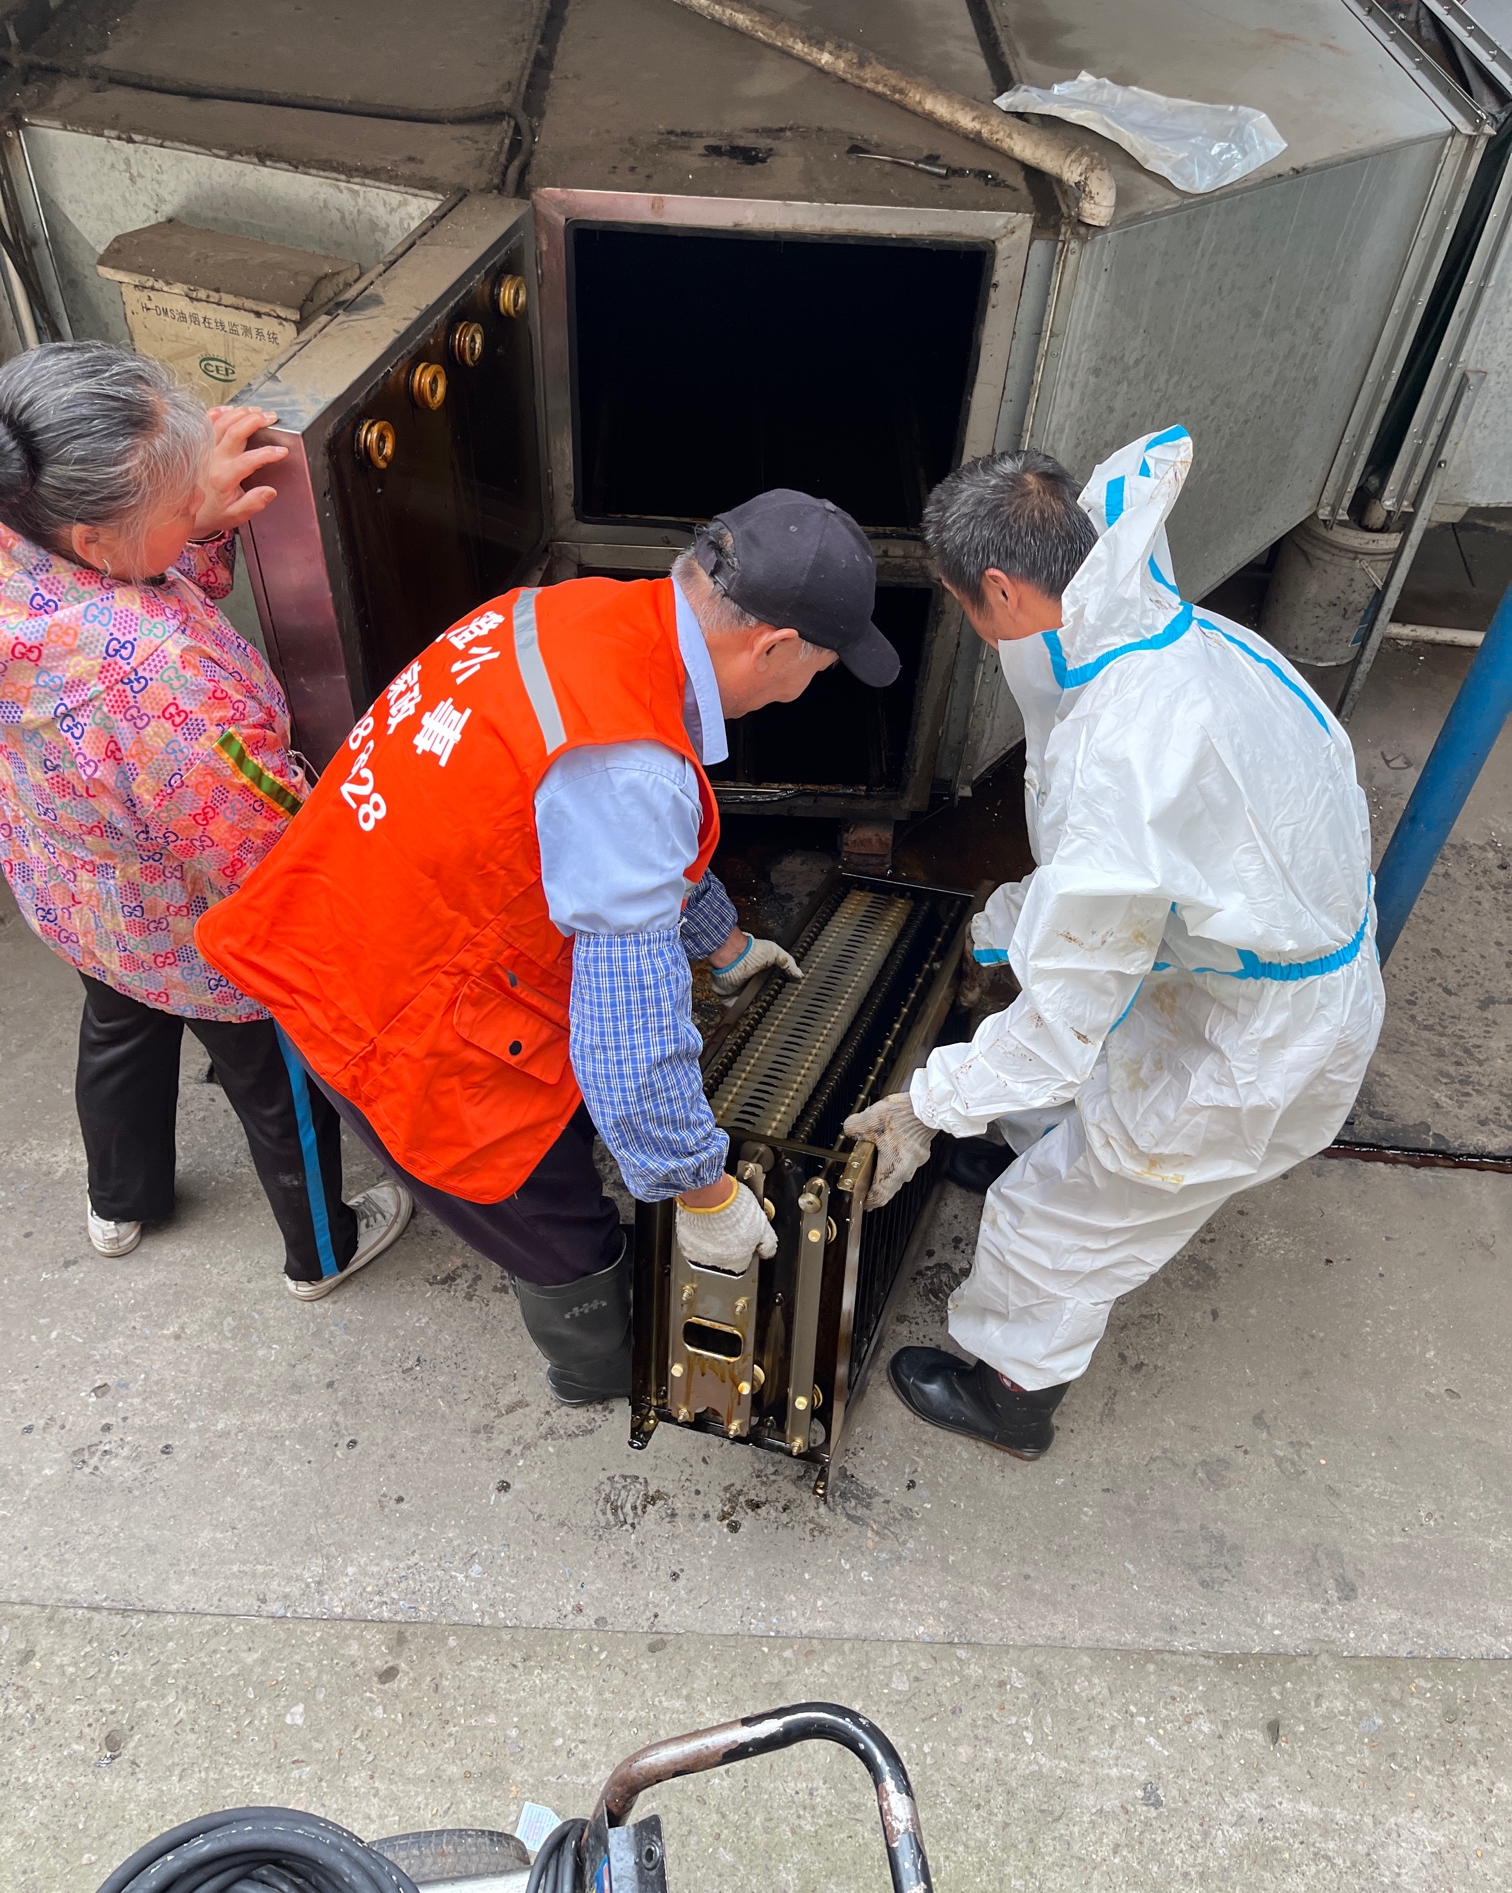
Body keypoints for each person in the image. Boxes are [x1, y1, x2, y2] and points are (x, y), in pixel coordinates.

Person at [196, 489, 900, 1403]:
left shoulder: (575, 612)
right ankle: (596, 1366)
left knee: (570, 1121)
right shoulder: (630, 764)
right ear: (772, 647)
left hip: (333, 919)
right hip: (391, 1014)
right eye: (817, 669)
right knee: (556, 1221)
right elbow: (628, 1043)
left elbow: (601, 835)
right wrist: (703, 1194)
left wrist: (723, 942)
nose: (804, 690)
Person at [845, 427, 1386, 1460]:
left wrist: (928, 1105)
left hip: (1252, 1044)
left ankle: (1011, 1395)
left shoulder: (1124, 752)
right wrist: (1006, 926)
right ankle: (1023, 1144)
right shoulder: (1171, 635)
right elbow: (1131, 877)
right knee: (1082, 1088)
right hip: (1241, 969)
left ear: (999, 589)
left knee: (1058, 1222)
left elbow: (1062, 1020)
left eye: (962, 603)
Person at [0, 340, 412, 1294]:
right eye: (184, 504)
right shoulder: (163, 681)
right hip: (196, 932)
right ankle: (322, 1249)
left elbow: (140, 563)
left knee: (118, 1031)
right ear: (97, 543)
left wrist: (191, 515)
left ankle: (121, 1202)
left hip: (77, 892)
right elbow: (260, 851)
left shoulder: (24, 517)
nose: (201, 505)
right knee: (276, 1083)